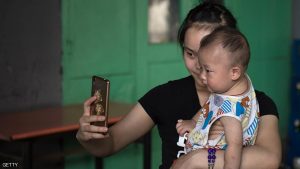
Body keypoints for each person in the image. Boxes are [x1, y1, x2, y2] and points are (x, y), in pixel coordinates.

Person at [76, 2, 281, 169]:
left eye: (208, 57)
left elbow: (269, 158)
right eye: (190, 54)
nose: (200, 66)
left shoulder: (258, 103)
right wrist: (89, 137)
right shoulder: (164, 96)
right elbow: (110, 144)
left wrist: (199, 159)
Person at [176, 26, 259, 169]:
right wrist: (193, 121)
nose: (202, 75)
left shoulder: (230, 114)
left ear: (234, 73)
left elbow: (234, 147)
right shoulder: (235, 84)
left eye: (208, 70)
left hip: (209, 159)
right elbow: (210, 106)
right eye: (202, 69)